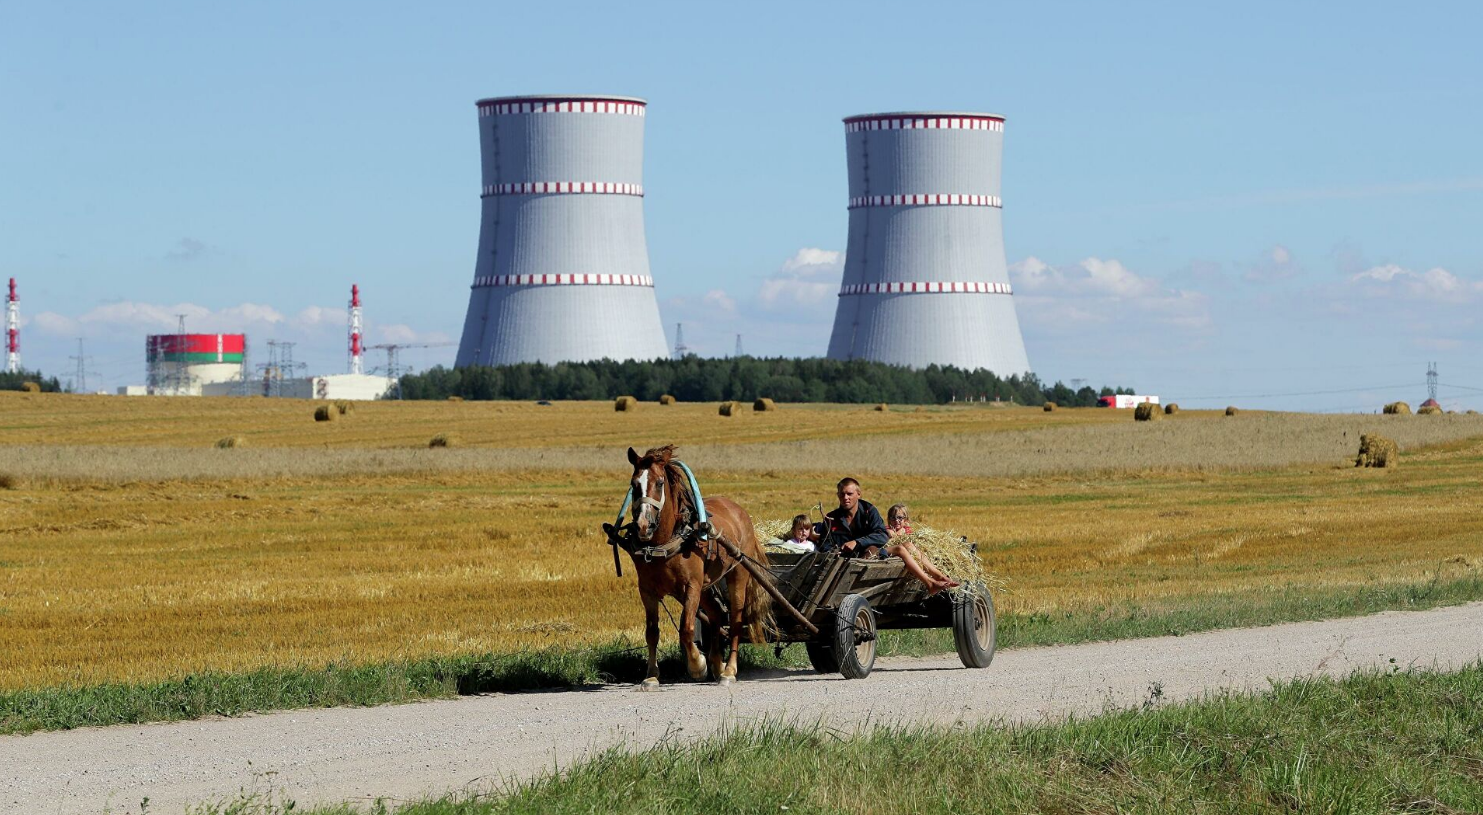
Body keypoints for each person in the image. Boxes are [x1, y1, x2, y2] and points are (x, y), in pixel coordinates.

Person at [884, 503, 958, 592]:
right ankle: (936, 578)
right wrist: (889, 532)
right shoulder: (886, 530)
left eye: (900, 518)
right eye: (893, 518)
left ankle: (940, 576)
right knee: (908, 545)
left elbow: (911, 539)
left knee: (911, 547)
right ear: (888, 519)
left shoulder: (907, 531)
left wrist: (899, 534)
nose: (896, 521)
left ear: (906, 520)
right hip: (893, 553)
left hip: (907, 552)